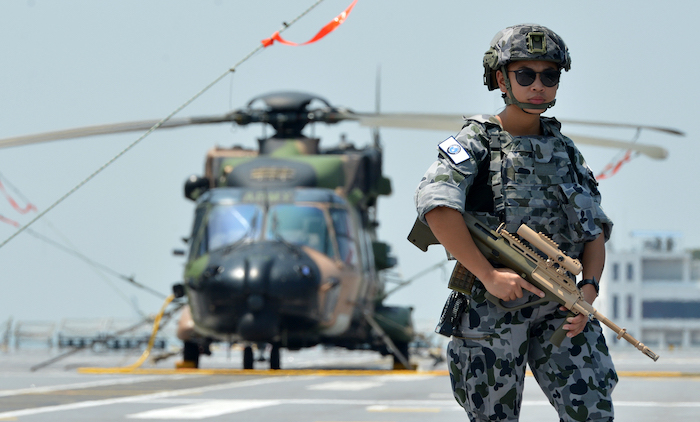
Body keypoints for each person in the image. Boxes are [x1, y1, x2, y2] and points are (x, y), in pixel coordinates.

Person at [411, 24, 617, 421]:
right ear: (500, 78)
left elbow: (594, 228)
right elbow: (436, 205)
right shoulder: (477, 141)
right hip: (493, 306)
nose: (538, 85)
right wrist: (488, 276)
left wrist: (588, 291)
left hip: (562, 308)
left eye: (549, 76)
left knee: (594, 412)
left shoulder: (565, 151)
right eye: (525, 75)